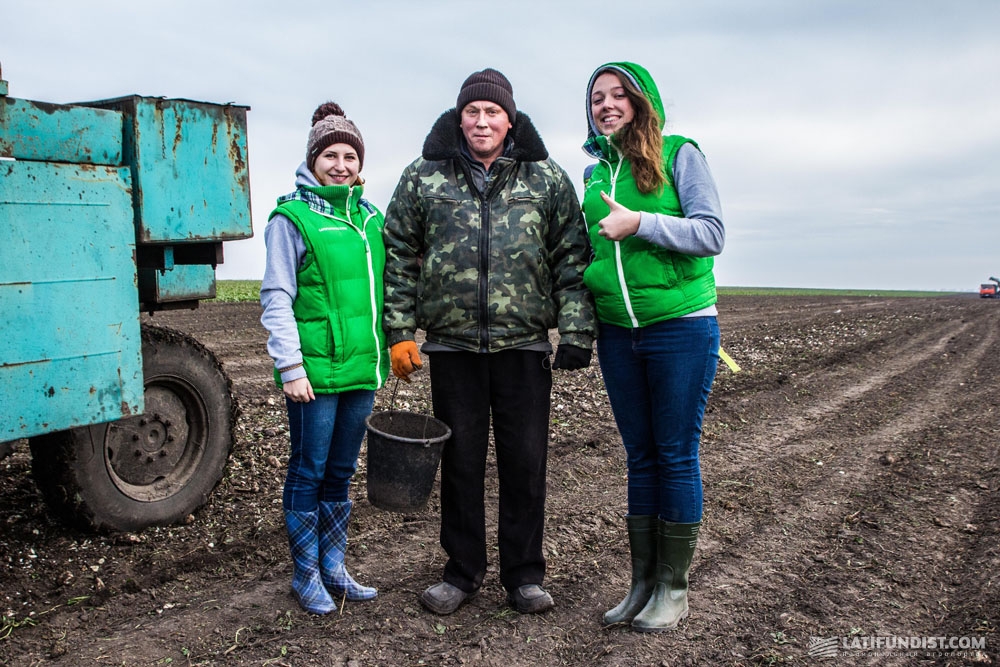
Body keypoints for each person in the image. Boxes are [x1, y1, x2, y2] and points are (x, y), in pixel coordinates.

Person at [382, 68, 596, 616]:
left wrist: (574, 329)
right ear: (460, 117)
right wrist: (400, 331)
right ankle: (461, 572)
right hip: (452, 347)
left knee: (525, 463)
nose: (482, 121)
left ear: (510, 119)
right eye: (472, 112)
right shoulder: (423, 176)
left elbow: (572, 256)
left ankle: (524, 575)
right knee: (461, 464)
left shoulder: (545, 178)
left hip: (523, 345)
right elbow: (399, 255)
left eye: (492, 112)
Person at [581, 62, 725, 632]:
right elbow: (587, 252)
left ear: (642, 101)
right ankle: (641, 583)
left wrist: (641, 222)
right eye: (597, 98)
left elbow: (711, 234)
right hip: (619, 333)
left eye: (619, 95)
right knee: (639, 456)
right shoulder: (593, 176)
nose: (607, 104)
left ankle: (674, 587)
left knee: (675, 454)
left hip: (681, 325)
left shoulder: (679, 153)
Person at [260, 102, 387, 615]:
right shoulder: (291, 218)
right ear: (313, 162)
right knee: (308, 470)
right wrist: (290, 367)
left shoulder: (370, 219)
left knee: (340, 471)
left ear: (360, 164)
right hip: (313, 374)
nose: (340, 164)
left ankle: (334, 566)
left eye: (349, 156)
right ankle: (305, 572)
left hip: (361, 371)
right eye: (330, 155)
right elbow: (275, 297)